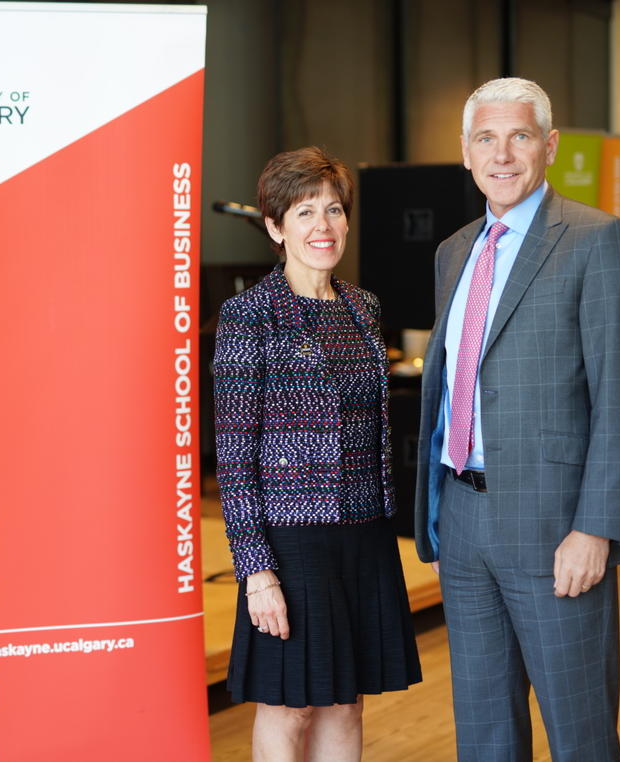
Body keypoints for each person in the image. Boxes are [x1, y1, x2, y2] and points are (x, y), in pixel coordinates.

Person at [413, 77, 620, 761]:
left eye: (519, 135)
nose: (503, 153)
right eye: (486, 138)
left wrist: (596, 528)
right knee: (484, 735)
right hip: (462, 524)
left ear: (549, 145)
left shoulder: (598, 241)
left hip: (555, 531)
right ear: (465, 152)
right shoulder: (454, 251)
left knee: (578, 734)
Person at [214, 146, 421, 761]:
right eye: (304, 212)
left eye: (333, 210)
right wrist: (256, 571)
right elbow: (234, 452)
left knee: (345, 699)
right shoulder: (250, 315)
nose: (322, 227)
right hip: (291, 540)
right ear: (276, 227)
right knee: (289, 702)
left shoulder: (363, 307)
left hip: (363, 534)